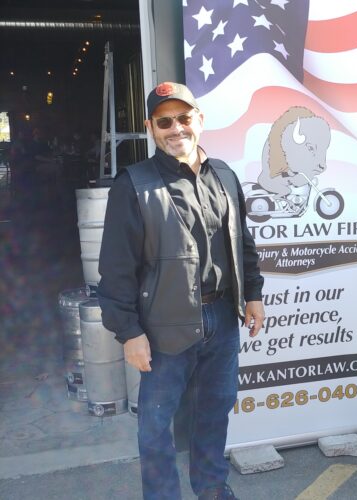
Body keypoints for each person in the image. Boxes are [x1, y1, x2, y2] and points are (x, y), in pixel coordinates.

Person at [97, 82, 265, 500]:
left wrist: (253, 295)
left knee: (214, 412)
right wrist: (128, 331)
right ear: (151, 127)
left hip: (223, 320)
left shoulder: (224, 175)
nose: (176, 129)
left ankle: (211, 488)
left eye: (184, 118)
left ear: (199, 121)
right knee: (156, 426)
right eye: (165, 121)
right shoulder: (133, 185)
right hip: (162, 328)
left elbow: (242, 242)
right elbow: (116, 268)